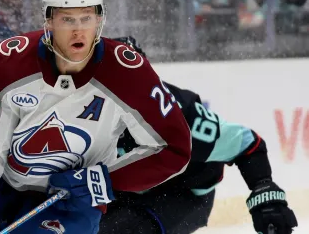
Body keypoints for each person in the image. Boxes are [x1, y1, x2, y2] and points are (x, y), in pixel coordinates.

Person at [0, 0, 191, 234]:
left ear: (99, 20)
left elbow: (174, 146)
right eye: (67, 19)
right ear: (49, 21)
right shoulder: (9, 61)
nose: (78, 31)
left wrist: (102, 180)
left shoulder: (128, 72)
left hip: (71, 202)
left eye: (86, 18)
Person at [99, 38, 298, 234]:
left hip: (182, 193)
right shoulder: (81, 113)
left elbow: (248, 144)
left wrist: (264, 190)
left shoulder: (182, 116)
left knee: (123, 227)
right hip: (127, 190)